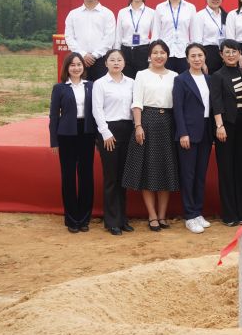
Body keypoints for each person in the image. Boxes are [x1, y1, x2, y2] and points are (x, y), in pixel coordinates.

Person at [122, 40, 180, 231]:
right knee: (148, 170)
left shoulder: (174, 76)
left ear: (167, 55)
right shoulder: (142, 75)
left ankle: (162, 215)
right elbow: (137, 102)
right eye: (155, 52)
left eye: (162, 52)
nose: (159, 56)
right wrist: (138, 126)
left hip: (169, 123)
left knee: (166, 170)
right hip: (147, 122)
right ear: (149, 55)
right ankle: (152, 215)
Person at [48, 52, 96, 233]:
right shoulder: (59, 88)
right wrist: (54, 141)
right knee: (68, 177)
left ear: (84, 67)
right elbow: (54, 116)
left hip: (87, 133)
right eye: (72, 65)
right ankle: (71, 219)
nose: (76, 68)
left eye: (79, 64)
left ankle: (84, 219)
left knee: (86, 176)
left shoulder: (91, 86)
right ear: (67, 68)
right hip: (66, 134)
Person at [92, 49, 134, 235]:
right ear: (106, 63)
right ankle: (111, 221)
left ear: (124, 63)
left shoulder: (131, 83)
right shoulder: (100, 84)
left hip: (127, 130)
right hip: (109, 131)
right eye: (112, 60)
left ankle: (122, 218)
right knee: (111, 177)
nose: (116, 63)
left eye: (119, 60)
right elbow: (97, 110)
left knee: (123, 177)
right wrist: (105, 133)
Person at [173, 44, 213, 234]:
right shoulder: (181, 80)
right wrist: (182, 132)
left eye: (200, 55)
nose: (197, 59)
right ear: (187, 58)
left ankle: (198, 212)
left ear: (204, 57)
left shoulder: (209, 79)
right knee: (188, 175)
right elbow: (178, 108)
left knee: (200, 174)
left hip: (206, 131)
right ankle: (189, 215)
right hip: (188, 132)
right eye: (193, 56)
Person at [210, 40, 242, 226]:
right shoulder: (217, 76)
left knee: (241, 169)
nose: (231, 55)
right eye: (227, 52)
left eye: (234, 51)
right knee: (226, 171)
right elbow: (216, 102)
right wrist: (219, 126)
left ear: (239, 53)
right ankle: (229, 215)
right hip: (225, 127)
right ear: (221, 54)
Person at [64, 0, 115, 81]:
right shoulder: (73, 14)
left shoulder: (107, 14)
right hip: (79, 61)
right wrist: (83, 55)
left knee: (101, 90)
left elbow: (109, 39)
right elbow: (69, 37)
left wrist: (95, 55)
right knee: (80, 90)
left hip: (101, 61)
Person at [152, 0, 196, 73]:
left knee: (183, 81)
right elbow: (155, 33)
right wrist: (152, 57)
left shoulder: (190, 8)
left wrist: (194, 55)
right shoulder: (160, 8)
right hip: (164, 54)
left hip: (184, 53)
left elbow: (194, 34)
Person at [114, 0, 154, 79]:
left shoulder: (152, 13)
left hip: (143, 52)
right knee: (126, 82)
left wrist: (151, 58)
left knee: (143, 82)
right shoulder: (122, 12)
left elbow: (154, 37)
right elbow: (118, 35)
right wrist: (117, 56)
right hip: (125, 52)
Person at [191, 0, 227, 75]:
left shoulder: (227, 15)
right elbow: (197, 41)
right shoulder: (200, 16)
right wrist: (202, 62)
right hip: (208, 54)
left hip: (224, 55)